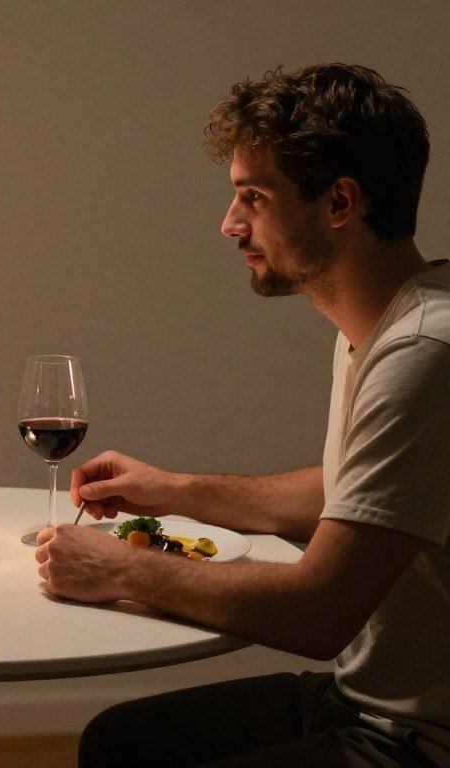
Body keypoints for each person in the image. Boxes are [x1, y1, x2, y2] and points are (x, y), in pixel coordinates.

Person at [35, 63, 450, 767]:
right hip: (364, 700)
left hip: (417, 742)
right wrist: (174, 490)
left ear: (340, 202)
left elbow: (318, 611)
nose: (230, 224)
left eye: (254, 197)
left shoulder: (423, 350)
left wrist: (119, 569)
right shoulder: (385, 324)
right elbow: (357, 495)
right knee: (121, 741)